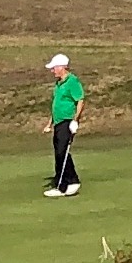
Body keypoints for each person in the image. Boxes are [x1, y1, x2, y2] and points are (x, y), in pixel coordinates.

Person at [43, 53, 85, 197]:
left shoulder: (72, 81)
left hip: (67, 121)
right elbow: (56, 105)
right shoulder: (58, 84)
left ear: (61, 67)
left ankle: (65, 184)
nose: (52, 71)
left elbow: (80, 100)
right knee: (59, 152)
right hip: (58, 122)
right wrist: (49, 123)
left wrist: (75, 120)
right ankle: (68, 181)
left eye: (54, 68)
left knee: (62, 151)